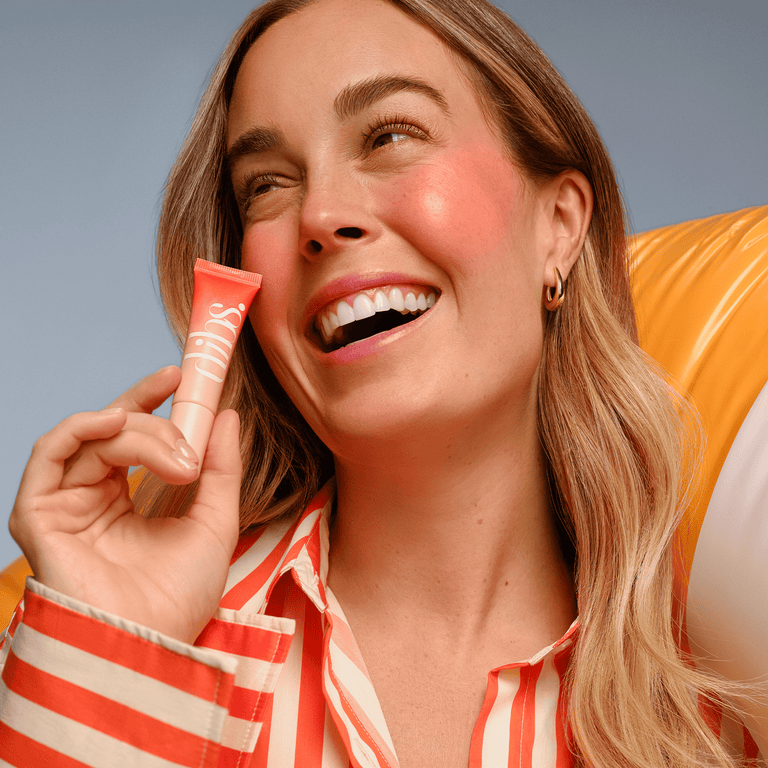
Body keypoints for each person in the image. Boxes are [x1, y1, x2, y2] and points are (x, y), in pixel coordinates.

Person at [1, 0, 758, 766]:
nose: (320, 216)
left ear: (557, 225)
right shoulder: (115, 640)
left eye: (390, 136)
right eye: (266, 185)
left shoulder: (724, 703)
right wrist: (107, 670)